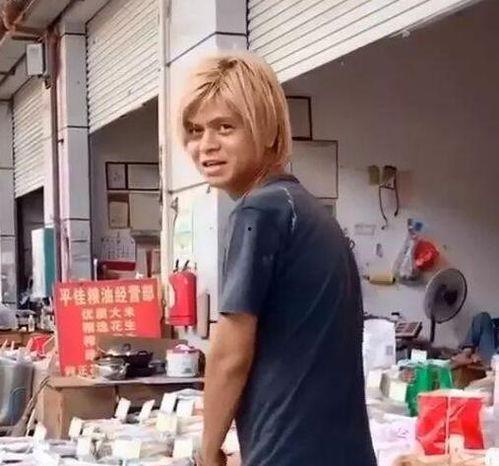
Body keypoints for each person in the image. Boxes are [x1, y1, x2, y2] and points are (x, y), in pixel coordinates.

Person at [177, 51, 376, 466]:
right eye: (195, 130)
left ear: (267, 132)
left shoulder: (259, 212)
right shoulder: (308, 211)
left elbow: (230, 352)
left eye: (225, 127)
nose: (206, 145)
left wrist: (208, 451)